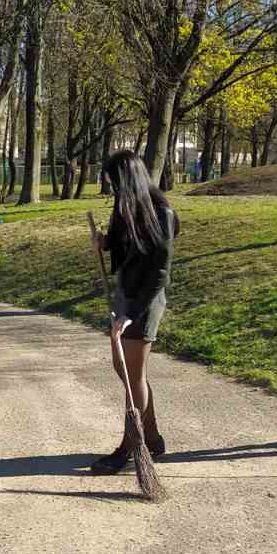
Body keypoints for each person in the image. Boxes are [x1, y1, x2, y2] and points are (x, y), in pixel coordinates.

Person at [88, 150, 179, 474]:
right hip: (125, 294)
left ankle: (130, 446)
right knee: (123, 367)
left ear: (129, 179)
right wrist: (104, 242)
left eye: (115, 182)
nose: (112, 189)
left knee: (133, 373)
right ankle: (152, 439)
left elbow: (160, 272)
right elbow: (121, 243)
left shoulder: (162, 213)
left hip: (145, 299)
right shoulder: (124, 207)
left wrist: (133, 313)